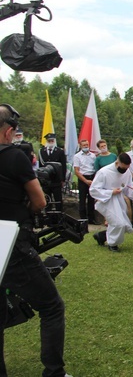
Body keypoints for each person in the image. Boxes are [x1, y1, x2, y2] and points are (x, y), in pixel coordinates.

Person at [0, 103, 73, 377]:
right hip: (11, 240)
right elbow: (40, 201)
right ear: (9, 132)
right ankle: (53, 372)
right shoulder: (14, 157)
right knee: (52, 306)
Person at [89, 152, 133, 252]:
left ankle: (101, 236)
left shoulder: (126, 172)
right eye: (123, 168)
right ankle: (113, 244)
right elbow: (93, 189)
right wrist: (111, 192)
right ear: (117, 163)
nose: (124, 170)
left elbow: (128, 186)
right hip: (106, 201)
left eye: (126, 168)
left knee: (123, 224)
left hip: (119, 201)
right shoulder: (104, 172)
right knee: (118, 223)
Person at [39, 132, 67, 212]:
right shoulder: (41, 151)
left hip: (56, 179)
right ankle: (48, 215)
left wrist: (63, 179)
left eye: (52, 141)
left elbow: (63, 166)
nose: (51, 142)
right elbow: (40, 166)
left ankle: (59, 216)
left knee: (58, 199)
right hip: (46, 180)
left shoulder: (60, 151)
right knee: (47, 198)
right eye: (49, 141)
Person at [72, 139, 97, 224]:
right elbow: (77, 171)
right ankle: (83, 219)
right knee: (82, 199)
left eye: (87, 145)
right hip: (83, 178)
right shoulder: (77, 156)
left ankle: (92, 218)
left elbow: (95, 168)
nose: (86, 146)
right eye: (84, 145)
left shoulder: (93, 156)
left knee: (91, 199)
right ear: (81, 146)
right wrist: (85, 181)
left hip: (92, 177)